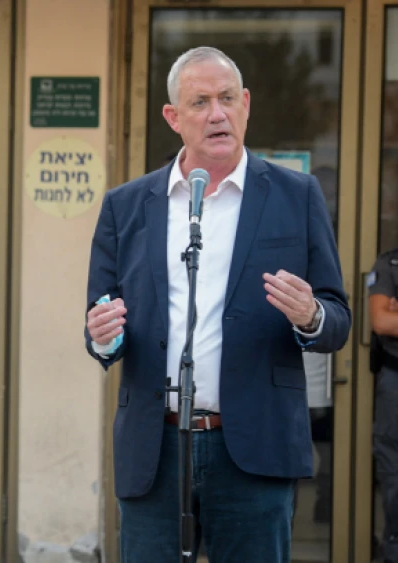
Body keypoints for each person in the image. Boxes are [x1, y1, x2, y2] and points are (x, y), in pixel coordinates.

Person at [84, 46, 350, 562]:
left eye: (227, 98)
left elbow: (336, 319)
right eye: (200, 101)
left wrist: (311, 315)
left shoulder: (297, 196)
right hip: (155, 449)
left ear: (246, 103)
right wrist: (102, 335)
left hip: (253, 448)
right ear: (173, 117)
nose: (217, 113)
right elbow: (102, 322)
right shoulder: (127, 205)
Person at [367, 185, 398, 563]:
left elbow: (395, 320)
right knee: (397, 479)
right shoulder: (391, 263)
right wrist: (393, 319)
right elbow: (381, 321)